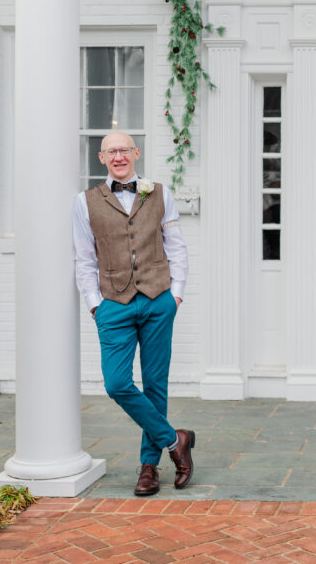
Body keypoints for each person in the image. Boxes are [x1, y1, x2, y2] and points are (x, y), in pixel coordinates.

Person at [72, 131, 194, 496]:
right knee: (117, 383)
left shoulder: (160, 193)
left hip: (159, 300)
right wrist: (94, 302)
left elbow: (176, 245)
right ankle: (176, 441)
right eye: (112, 151)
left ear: (136, 153)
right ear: (101, 157)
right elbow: (83, 257)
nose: (119, 156)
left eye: (125, 149)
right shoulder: (84, 202)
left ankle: (149, 466)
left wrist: (176, 294)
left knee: (156, 384)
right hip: (113, 303)